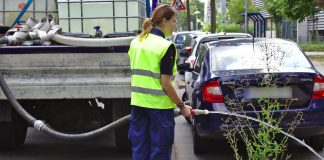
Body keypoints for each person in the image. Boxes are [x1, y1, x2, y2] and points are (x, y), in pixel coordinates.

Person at [127, 4, 191, 160]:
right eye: (174, 21)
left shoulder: (137, 42)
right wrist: (182, 106)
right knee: (160, 151)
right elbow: (166, 84)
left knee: (140, 149)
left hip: (138, 105)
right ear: (164, 21)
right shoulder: (165, 46)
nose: (175, 25)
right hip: (159, 109)